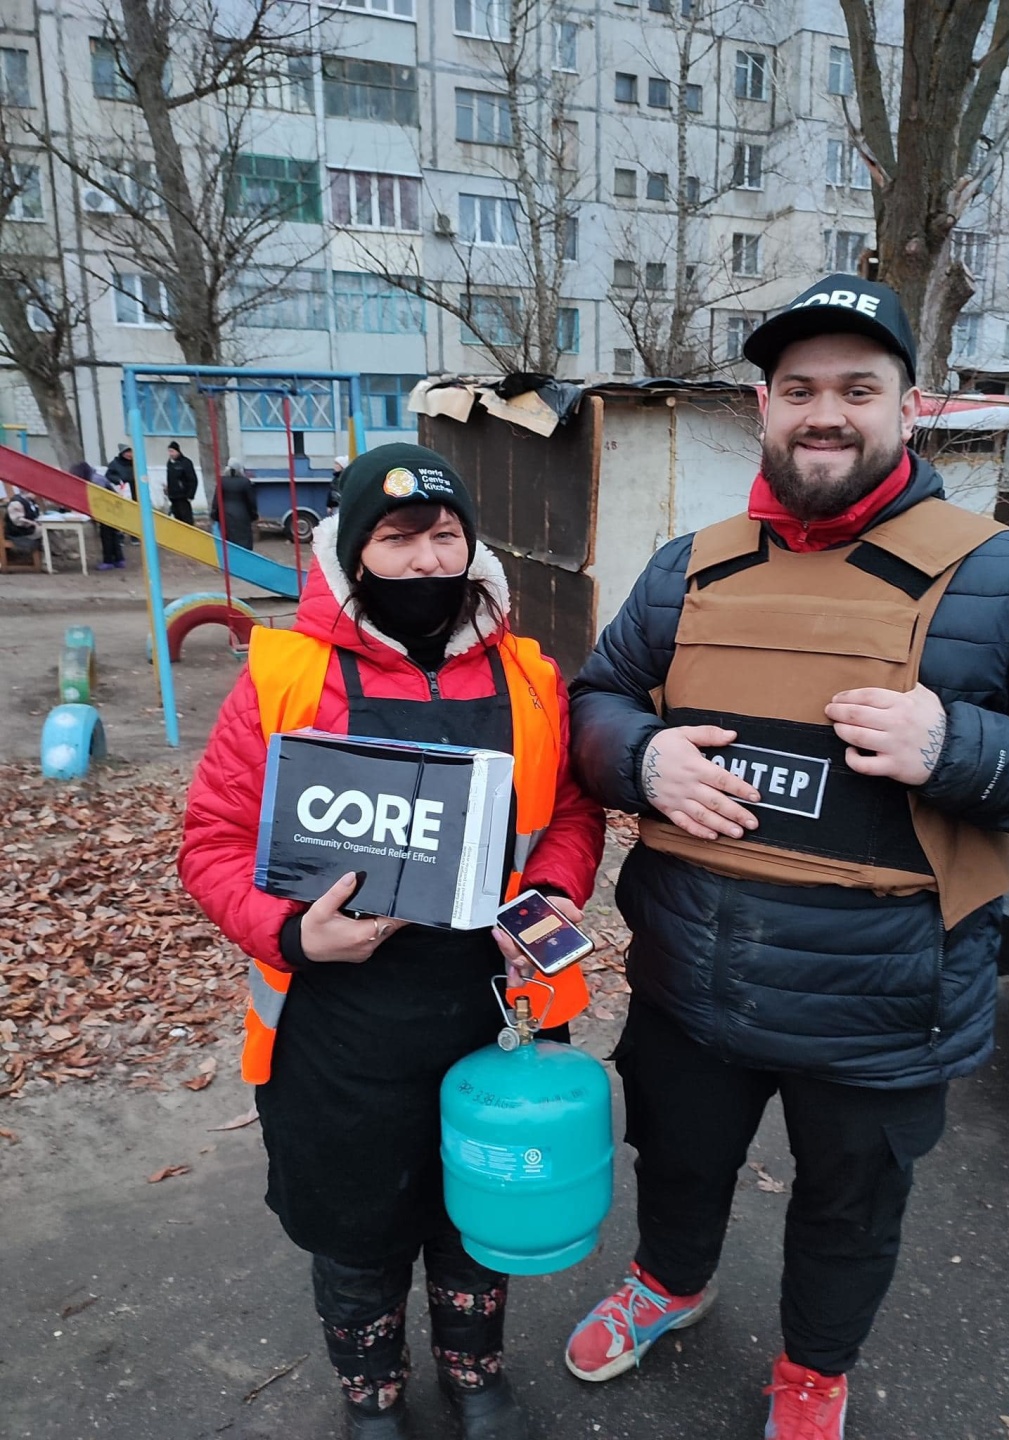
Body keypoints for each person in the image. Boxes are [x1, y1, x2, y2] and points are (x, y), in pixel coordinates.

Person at [564, 275, 1009, 1438]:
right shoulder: (687, 568)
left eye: (858, 387)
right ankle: (670, 1282)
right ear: (765, 408)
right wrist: (640, 757)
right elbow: (595, 699)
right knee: (676, 1157)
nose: (826, 413)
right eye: (799, 390)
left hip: (883, 1002)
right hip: (690, 979)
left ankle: (814, 1369)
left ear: (912, 405)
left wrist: (965, 748)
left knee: (850, 1206)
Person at [179, 442, 605, 1439]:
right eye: (397, 537)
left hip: (495, 1011)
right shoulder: (285, 677)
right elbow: (211, 843)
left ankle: (474, 1375)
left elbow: (573, 811)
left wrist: (548, 896)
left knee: (478, 1214)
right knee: (356, 1229)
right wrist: (292, 932)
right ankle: (371, 1395)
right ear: (352, 552)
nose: (425, 559)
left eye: (444, 535)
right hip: (337, 1026)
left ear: (471, 545)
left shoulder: (531, 677)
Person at [69, 460, 125, 570]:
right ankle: (119, 560)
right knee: (113, 534)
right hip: (112, 507)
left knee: (107, 535)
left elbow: (99, 497)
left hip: (109, 508)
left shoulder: (95, 480)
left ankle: (108, 561)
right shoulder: (95, 477)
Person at [210, 456, 259, 550]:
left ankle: (231, 557)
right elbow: (251, 501)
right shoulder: (245, 482)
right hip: (242, 515)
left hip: (225, 515)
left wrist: (215, 515)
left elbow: (217, 500)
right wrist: (253, 515)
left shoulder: (221, 481)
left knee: (228, 542)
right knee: (244, 541)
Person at [165, 441, 199, 526]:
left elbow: (192, 479)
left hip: (183, 496)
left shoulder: (186, 462)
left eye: (172, 451)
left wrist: (190, 495)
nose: (171, 454)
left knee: (186, 520)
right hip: (173, 496)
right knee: (177, 521)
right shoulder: (170, 463)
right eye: (169, 451)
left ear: (178, 451)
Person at [3, 490, 42, 556]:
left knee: (50, 529)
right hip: (19, 533)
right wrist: (34, 523)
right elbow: (18, 521)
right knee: (47, 531)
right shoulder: (16, 503)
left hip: (30, 530)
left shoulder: (31, 501)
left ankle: (54, 555)